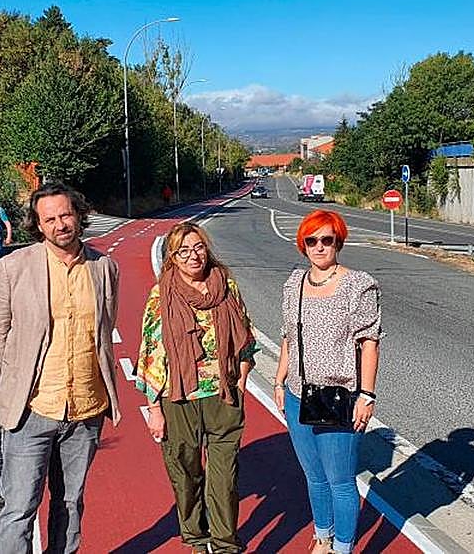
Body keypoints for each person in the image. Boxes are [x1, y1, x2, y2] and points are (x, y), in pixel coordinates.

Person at [0, 183, 122, 554]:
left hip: (86, 409)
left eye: (65, 215)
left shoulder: (105, 268)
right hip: (33, 410)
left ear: (78, 215)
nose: (60, 224)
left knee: (70, 504)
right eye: (50, 219)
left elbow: (105, 328)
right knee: (19, 510)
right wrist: (18, 373)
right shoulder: (12, 268)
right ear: (38, 225)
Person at [135, 222, 258, 554]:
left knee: (225, 480)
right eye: (184, 251)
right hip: (179, 399)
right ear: (172, 257)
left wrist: (242, 376)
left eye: (199, 247)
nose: (194, 256)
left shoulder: (226, 286)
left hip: (223, 397)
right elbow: (150, 352)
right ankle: (196, 537)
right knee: (186, 476)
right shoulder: (162, 294)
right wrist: (154, 409)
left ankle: (225, 545)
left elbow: (246, 335)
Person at [272, 210, 381, 554]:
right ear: (302, 245)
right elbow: (289, 336)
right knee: (314, 476)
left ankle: (344, 548)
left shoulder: (357, 285)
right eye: (312, 240)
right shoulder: (294, 284)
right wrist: (278, 382)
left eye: (326, 240)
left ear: (338, 242)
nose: (319, 247)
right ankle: (323, 538)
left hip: (339, 396)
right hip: (297, 394)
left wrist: (366, 394)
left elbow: (370, 343)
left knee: (340, 482)